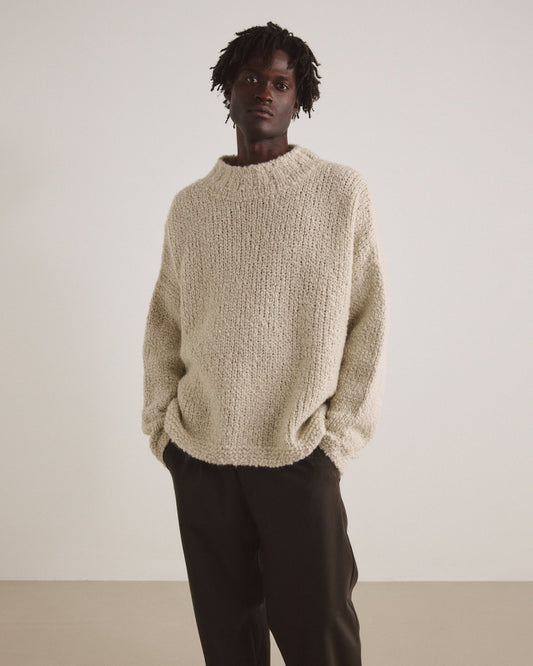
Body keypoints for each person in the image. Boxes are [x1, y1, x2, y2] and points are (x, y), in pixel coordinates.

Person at [142, 21, 390, 666]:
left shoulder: (340, 192)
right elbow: (165, 322)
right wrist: (164, 430)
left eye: (281, 82)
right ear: (227, 89)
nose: (265, 92)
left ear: (299, 97)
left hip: (298, 450)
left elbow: (368, 318)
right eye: (252, 78)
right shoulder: (192, 207)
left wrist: (338, 440)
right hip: (201, 451)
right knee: (228, 639)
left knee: (320, 633)